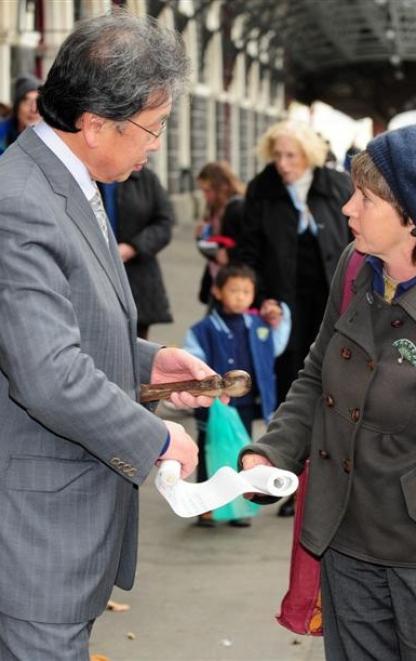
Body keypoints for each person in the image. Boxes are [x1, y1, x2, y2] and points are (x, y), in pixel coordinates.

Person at [0, 12, 225, 660]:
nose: (156, 145)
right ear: (95, 123)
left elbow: (55, 325)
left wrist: (147, 363)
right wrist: (156, 436)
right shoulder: (22, 202)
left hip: (62, 529)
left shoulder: (68, 179)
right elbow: (45, 372)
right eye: (152, 128)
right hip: (37, 540)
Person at [241, 124, 416, 660]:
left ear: (414, 219)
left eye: (366, 198)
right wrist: (271, 451)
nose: (349, 209)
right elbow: (319, 371)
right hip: (347, 541)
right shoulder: (356, 267)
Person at [238, 119, 352, 516]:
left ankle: (331, 477)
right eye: (278, 155)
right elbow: (248, 252)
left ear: (309, 156)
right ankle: (292, 481)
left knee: (336, 384)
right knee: (294, 389)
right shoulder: (262, 191)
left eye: (291, 155)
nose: (283, 164)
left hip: (332, 301)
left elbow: (355, 239)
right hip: (285, 307)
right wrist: (261, 298)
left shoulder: (335, 187)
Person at [184, 264, 291, 527]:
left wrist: (281, 315)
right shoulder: (203, 329)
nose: (241, 296)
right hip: (211, 405)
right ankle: (207, 506)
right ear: (217, 291)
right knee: (210, 451)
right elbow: (192, 359)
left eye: (247, 291)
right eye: (234, 290)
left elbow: (275, 347)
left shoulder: (259, 326)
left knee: (242, 452)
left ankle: (239, 506)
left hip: (244, 404)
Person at [99, 166, 175, 339]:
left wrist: (133, 248)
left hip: (138, 276)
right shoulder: (89, 175)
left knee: (136, 344)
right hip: (96, 271)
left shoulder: (146, 179)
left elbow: (165, 223)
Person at [196, 161, 245, 304]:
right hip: (217, 277)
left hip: (233, 279)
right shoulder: (214, 209)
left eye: (207, 191)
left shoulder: (237, 208)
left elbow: (248, 242)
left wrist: (229, 254)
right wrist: (201, 236)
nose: (204, 196)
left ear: (222, 187)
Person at [0, 72, 41, 154]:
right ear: (17, 107)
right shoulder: (2, 135)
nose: (34, 109)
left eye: (38, 102)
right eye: (27, 102)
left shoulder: (52, 138)